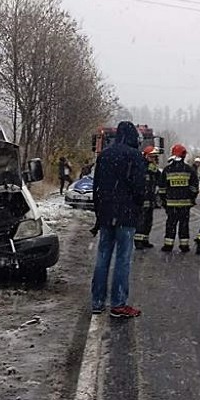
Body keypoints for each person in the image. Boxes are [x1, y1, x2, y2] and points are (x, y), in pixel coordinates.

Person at [91, 121, 147, 318]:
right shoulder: (134, 156)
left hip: (106, 214)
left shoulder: (105, 155)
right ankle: (118, 303)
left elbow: (96, 185)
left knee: (103, 256)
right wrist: (138, 207)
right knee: (123, 259)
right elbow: (140, 187)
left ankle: (97, 301)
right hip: (126, 214)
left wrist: (99, 212)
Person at [158, 144, 198, 252]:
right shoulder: (189, 170)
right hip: (185, 204)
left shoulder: (167, 170)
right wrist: (191, 198)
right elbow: (194, 187)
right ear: (184, 155)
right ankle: (184, 245)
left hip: (171, 204)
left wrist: (164, 200)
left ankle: (168, 245)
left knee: (171, 224)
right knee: (184, 225)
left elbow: (162, 188)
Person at [134, 146, 161, 250]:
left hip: (150, 198)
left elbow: (160, 179)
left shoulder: (153, 169)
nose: (154, 159)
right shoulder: (141, 167)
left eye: (155, 157)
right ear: (146, 156)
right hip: (142, 198)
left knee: (148, 220)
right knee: (141, 220)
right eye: (152, 156)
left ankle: (145, 239)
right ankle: (138, 241)